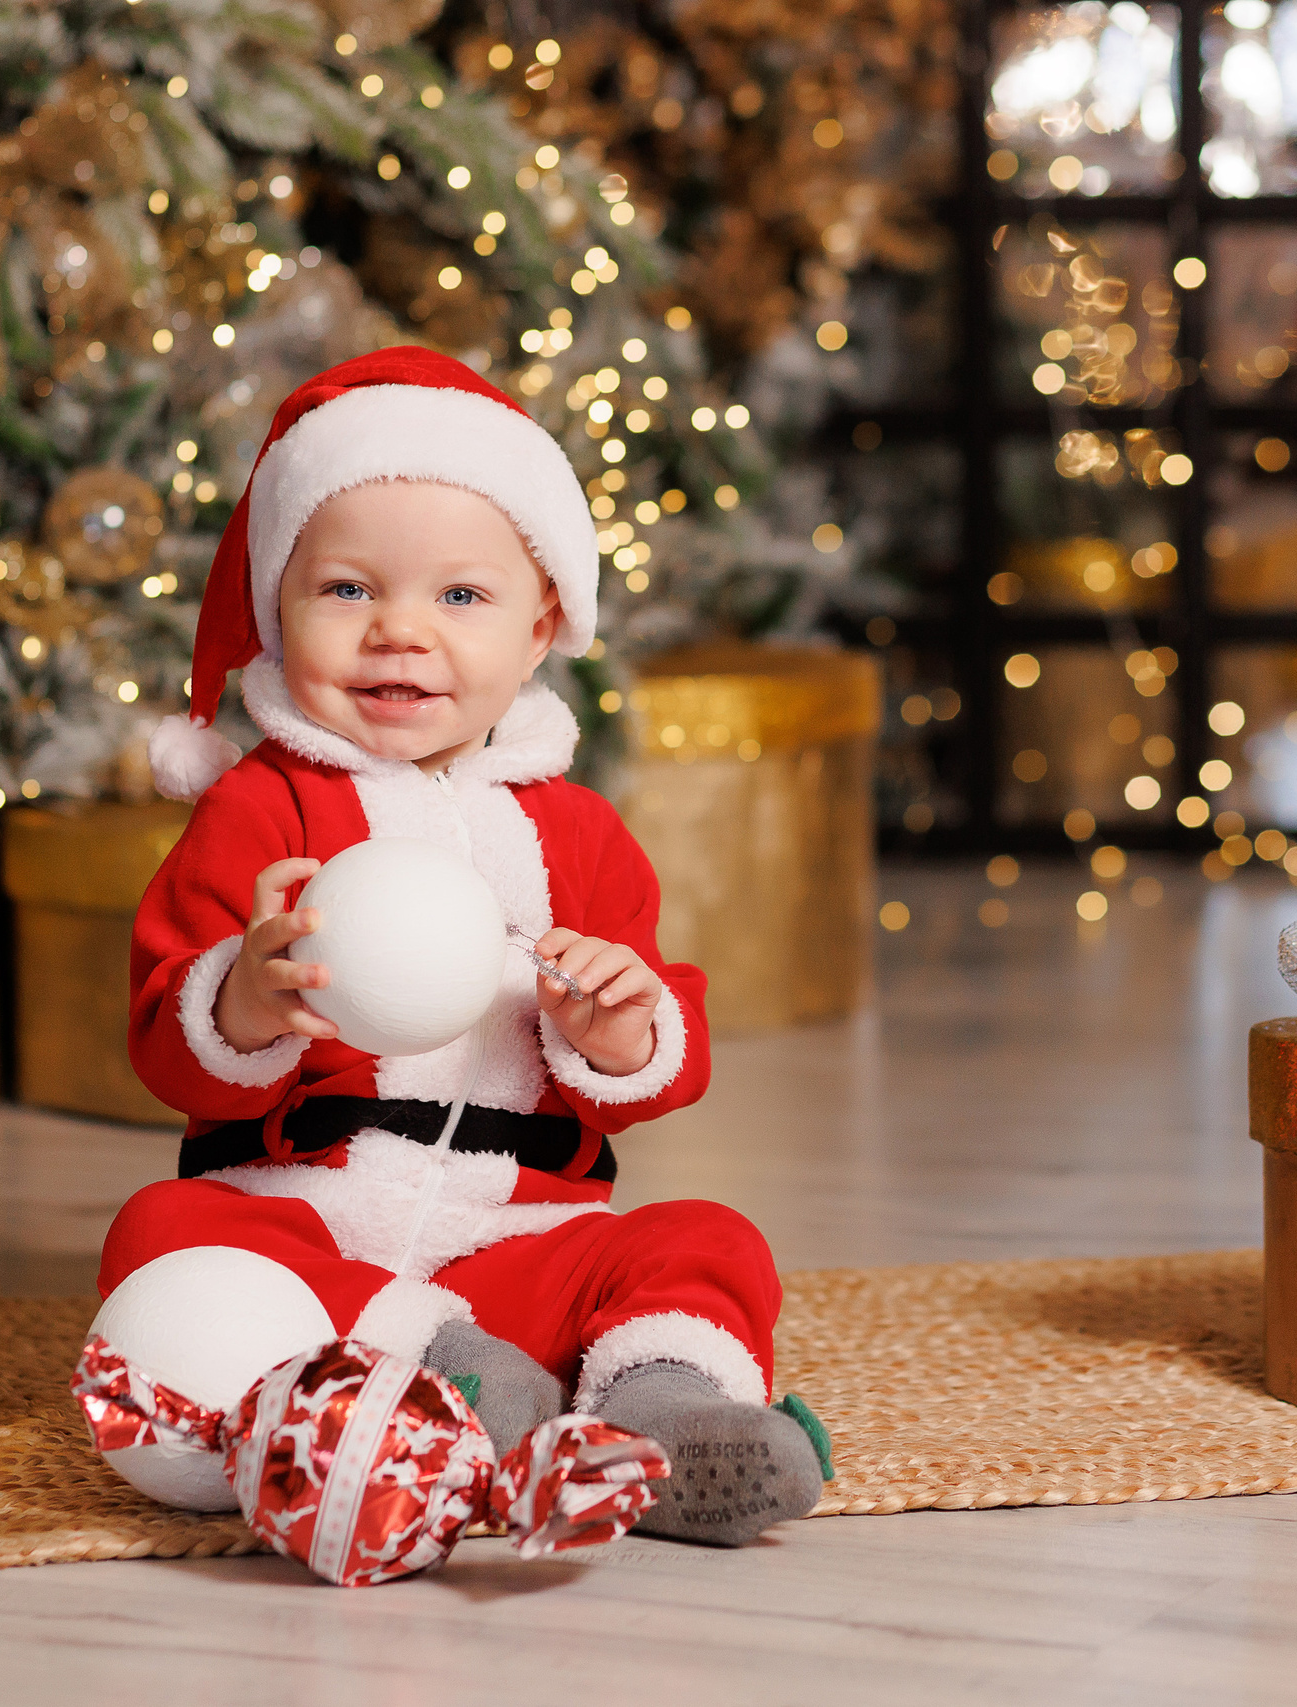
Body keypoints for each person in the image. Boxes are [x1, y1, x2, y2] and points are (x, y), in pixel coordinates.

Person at [100, 347, 825, 1545]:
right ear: (277, 612)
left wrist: (619, 1031)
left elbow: (658, 1058)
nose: (398, 632)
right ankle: (442, 1372)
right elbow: (163, 1040)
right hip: (307, 1220)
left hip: (514, 1238)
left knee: (708, 1239)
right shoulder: (259, 812)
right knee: (162, 1237)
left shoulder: (576, 834)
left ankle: (663, 1408)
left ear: (541, 628)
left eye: (460, 598)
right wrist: (246, 999)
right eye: (344, 591)